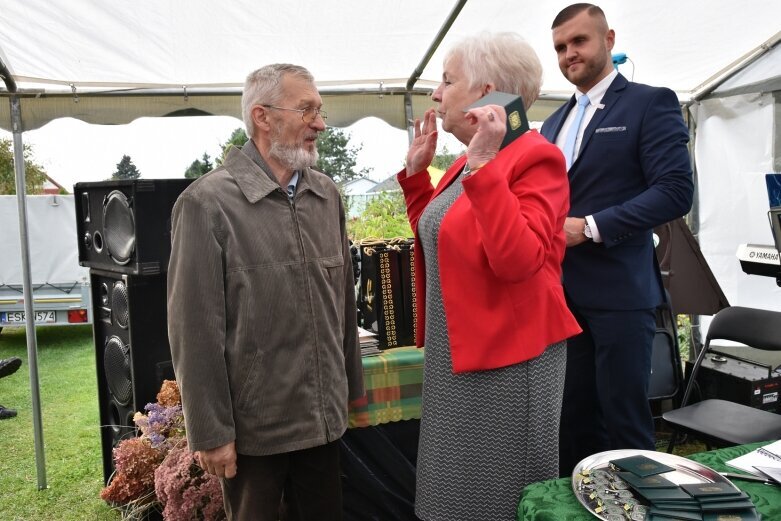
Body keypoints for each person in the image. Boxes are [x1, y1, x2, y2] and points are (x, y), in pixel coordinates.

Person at [167, 63, 365, 521]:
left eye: (320, 111)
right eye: (307, 110)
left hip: (323, 422)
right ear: (262, 116)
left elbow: (342, 303)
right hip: (256, 432)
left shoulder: (326, 195)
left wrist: (349, 389)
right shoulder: (206, 204)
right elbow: (193, 331)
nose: (320, 123)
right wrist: (211, 432)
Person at [399, 33, 582, 520]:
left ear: (487, 91)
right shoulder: (467, 160)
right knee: (450, 491)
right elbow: (446, 242)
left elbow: (517, 261)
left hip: (508, 361)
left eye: (447, 80)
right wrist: (418, 179)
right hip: (458, 352)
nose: (436, 94)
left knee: (496, 497)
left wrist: (482, 168)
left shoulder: (536, 157)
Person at [540, 4, 694, 476]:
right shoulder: (551, 124)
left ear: (608, 38)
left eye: (579, 41)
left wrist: (589, 227)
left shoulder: (650, 102)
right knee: (571, 424)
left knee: (625, 424)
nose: (570, 54)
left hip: (621, 295)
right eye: (561, 48)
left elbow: (674, 191)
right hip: (559, 299)